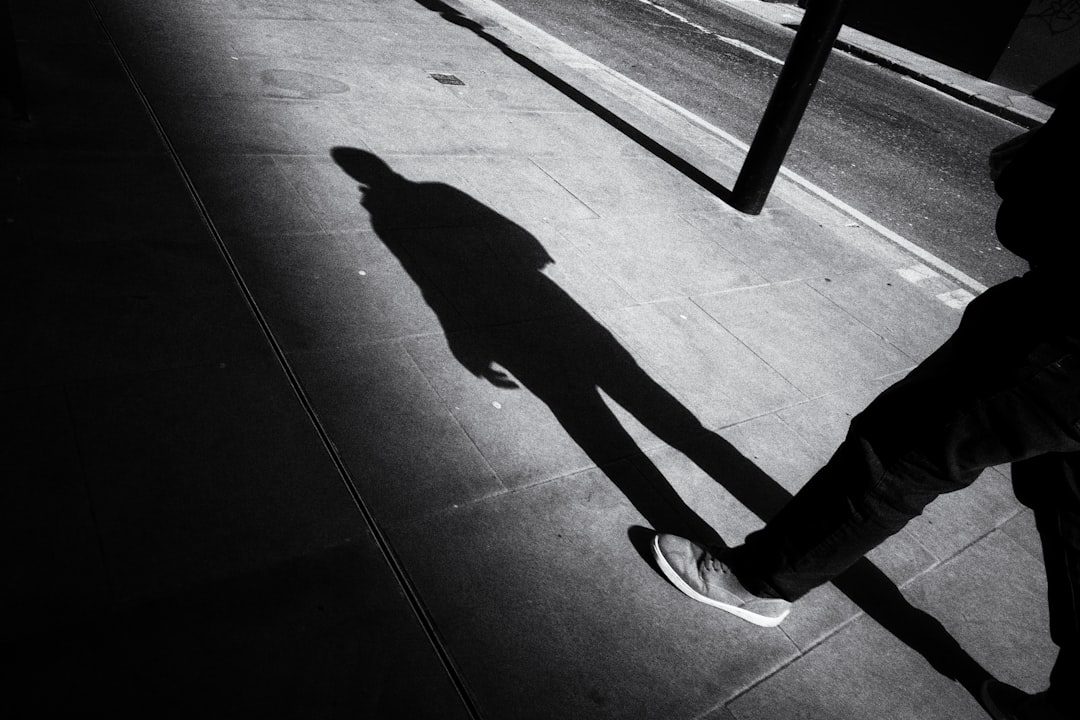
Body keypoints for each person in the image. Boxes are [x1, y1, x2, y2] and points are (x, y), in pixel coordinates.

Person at [652, 86, 1079, 720]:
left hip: (1065, 335)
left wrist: (1038, 167)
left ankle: (757, 583)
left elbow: (1041, 211)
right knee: (1075, 507)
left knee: (903, 449)